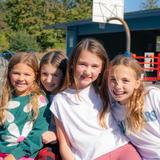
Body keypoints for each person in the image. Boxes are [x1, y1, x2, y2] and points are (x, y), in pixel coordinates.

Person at [50, 38, 141, 160]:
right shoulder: (60, 101)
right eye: (82, 64)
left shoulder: (106, 90)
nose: (88, 71)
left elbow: (133, 90)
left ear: (101, 69)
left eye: (95, 66)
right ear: (72, 63)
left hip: (122, 149)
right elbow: (64, 145)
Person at [108, 54, 160, 159]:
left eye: (125, 80)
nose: (118, 86)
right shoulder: (113, 111)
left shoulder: (152, 96)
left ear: (137, 83)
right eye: (113, 79)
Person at [0, 52, 49, 160]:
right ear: (9, 74)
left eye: (27, 74)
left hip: (24, 154)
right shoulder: (4, 98)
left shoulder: (39, 101)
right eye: (16, 73)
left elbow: (38, 135)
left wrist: (14, 156)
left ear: (35, 76)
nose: (21, 78)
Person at [36, 51, 67, 160]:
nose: (49, 80)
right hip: (35, 140)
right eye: (44, 74)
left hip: (57, 143)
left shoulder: (67, 98)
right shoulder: (37, 94)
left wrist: (56, 135)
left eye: (55, 75)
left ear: (64, 75)